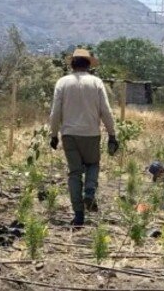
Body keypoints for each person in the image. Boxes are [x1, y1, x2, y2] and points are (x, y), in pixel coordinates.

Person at [49, 48, 118, 226]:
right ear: (89, 65)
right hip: (91, 133)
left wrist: (53, 134)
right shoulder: (96, 82)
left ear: (72, 64)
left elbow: (55, 111)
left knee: (74, 173)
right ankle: (89, 192)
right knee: (93, 164)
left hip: (69, 135)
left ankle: (78, 215)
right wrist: (112, 134)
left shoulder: (62, 82)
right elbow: (106, 111)